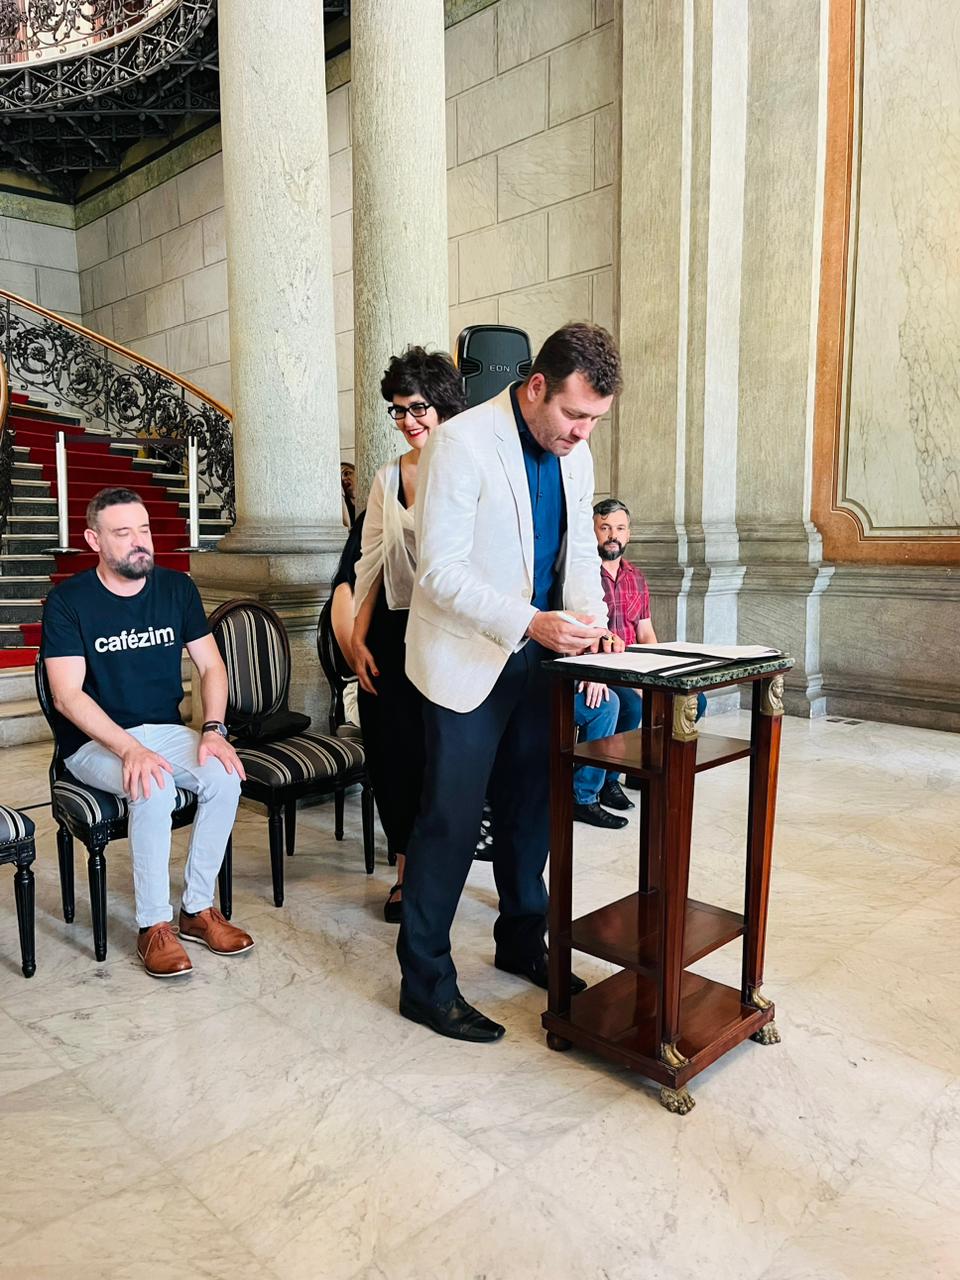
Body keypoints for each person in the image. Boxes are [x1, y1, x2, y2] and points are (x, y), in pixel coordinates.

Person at [397, 322, 624, 1043]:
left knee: (532, 815)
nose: (582, 432)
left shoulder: (576, 454)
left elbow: (578, 553)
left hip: (542, 662)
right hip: (466, 661)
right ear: (536, 387)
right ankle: (425, 983)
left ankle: (523, 943)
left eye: (595, 420)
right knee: (451, 824)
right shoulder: (462, 443)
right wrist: (531, 622)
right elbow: (439, 573)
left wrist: (592, 626)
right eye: (574, 414)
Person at [42, 487, 255, 979]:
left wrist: (214, 730)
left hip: (163, 729)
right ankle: (153, 926)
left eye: (144, 529)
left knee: (225, 774)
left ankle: (197, 909)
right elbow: (67, 696)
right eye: (123, 533)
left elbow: (212, 666)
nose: (139, 541)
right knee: (152, 784)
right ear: (94, 540)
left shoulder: (177, 588)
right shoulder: (68, 601)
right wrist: (129, 749)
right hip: (93, 742)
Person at [351, 347, 467, 922]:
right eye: (397, 410)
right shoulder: (387, 477)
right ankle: (404, 872)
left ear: (443, 405)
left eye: (417, 407)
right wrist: (356, 641)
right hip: (392, 635)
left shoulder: (470, 467)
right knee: (393, 756)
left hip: (450, 635)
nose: (407, 420)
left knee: (440, 758)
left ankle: (438, 870)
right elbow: (370, 564)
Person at [573, 498, 706, 817]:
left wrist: (657, 676)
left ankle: (641, 768)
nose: (612, 535)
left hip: (635, 664)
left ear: (629, 534)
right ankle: (606, 780)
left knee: (692, 700)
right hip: (601, 665)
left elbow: (646, 634)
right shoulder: (581, 577)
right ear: (592, 531)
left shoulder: (636, 577)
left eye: (620, 528)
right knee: (631, 705)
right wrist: (635, 684)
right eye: (605, 528)